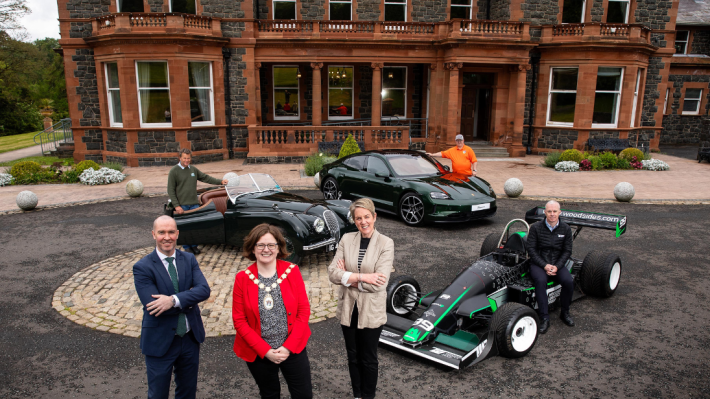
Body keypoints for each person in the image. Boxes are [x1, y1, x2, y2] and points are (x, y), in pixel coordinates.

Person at [133, 215, 211, 399]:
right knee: (158, 394)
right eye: (161, 232)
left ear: (177, 234)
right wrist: (188, 300)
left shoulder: (189, 259)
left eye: (170, 232)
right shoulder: (142, 267)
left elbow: (204, 290)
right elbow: (153, 307)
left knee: (187, 392)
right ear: (154, 234)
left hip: (190, 338)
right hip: (160, 340)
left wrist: (172, 300)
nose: (166, 237)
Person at [232, 224, 313, 399]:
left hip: (292, 347)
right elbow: (239, 320)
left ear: (278, 248)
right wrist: (265, 350)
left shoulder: (292, 271)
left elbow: (303, 311)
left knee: (303, 394)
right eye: (260, 245)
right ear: (253, 248)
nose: (266, 249)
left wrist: (288, 347)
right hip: (260, 351)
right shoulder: (242, 278)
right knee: (269, 394)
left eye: (271, 245)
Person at [328, 198, 393, 399]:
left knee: (368, 358)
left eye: (367, 217)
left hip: (371, 311)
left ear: (374, 217)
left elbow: (379, 283)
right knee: (353, 356)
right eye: (358, 218)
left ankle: (368, 396)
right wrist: (364, 277)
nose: (363, 222)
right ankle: (358, 395)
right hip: (349, 308)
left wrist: (346, 277)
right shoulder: (347, 239)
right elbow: (332, 273)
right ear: (354, 221)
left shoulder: (386, 243)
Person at [167, 148, 229, 255]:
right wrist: (177, 206)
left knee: (195, 226)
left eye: (188, 158)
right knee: (185, 227)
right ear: (180, 158)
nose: (187, 160)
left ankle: (194, 246)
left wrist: (220, 181)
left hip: (194, 203)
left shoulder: (193, 170)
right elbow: (170, 190)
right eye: (184, 158)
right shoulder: (174, 171)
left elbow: (205, 178)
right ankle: (187, 247)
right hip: (182, 205)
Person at [526, 200, 575, 334]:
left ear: (559, 212)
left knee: (569, 281)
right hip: (539, 264)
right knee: (541, 281)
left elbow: (567, 251)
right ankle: (544, 318)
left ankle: (565, 312)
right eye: (549, 211)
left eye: (555, 211)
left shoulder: (566, 228)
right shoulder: (536, 228)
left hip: (557, 264)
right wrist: (545, 265)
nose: (552, 214)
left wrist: (557, 267)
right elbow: (531, 249)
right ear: (545, 212)